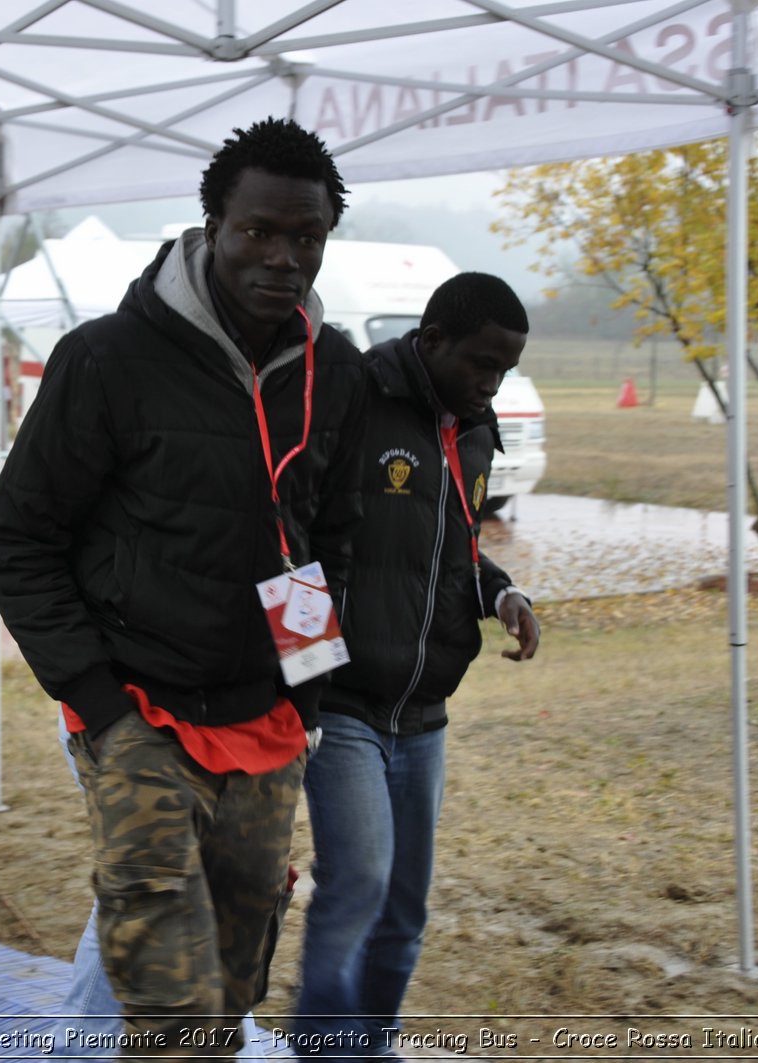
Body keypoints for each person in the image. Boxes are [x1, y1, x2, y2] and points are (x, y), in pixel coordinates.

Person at [0, 117, 366, 1055]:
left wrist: (308, 692)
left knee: (230, 988)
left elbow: (321, 541)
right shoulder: (107, 358)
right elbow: (22, 540)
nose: (282, 258)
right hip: (139, 708)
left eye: (305, 238)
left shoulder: (336, 372)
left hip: (265, 719)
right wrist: (101, 707)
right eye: (258, 231)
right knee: (167, 991)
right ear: (211, 224)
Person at [293, 272, 541, 1058]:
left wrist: (500, 592)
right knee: (357, 883)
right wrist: (302, 685)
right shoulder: (352, 398)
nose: (491, 383)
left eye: (504, 369)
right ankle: (325, 1044)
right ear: (431, 341)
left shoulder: (471, 424)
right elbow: (291, 536)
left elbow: (457, 544)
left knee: (404, 910)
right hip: (343, 704)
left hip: (424, 712)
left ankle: (373, 1043)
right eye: (481, 363)